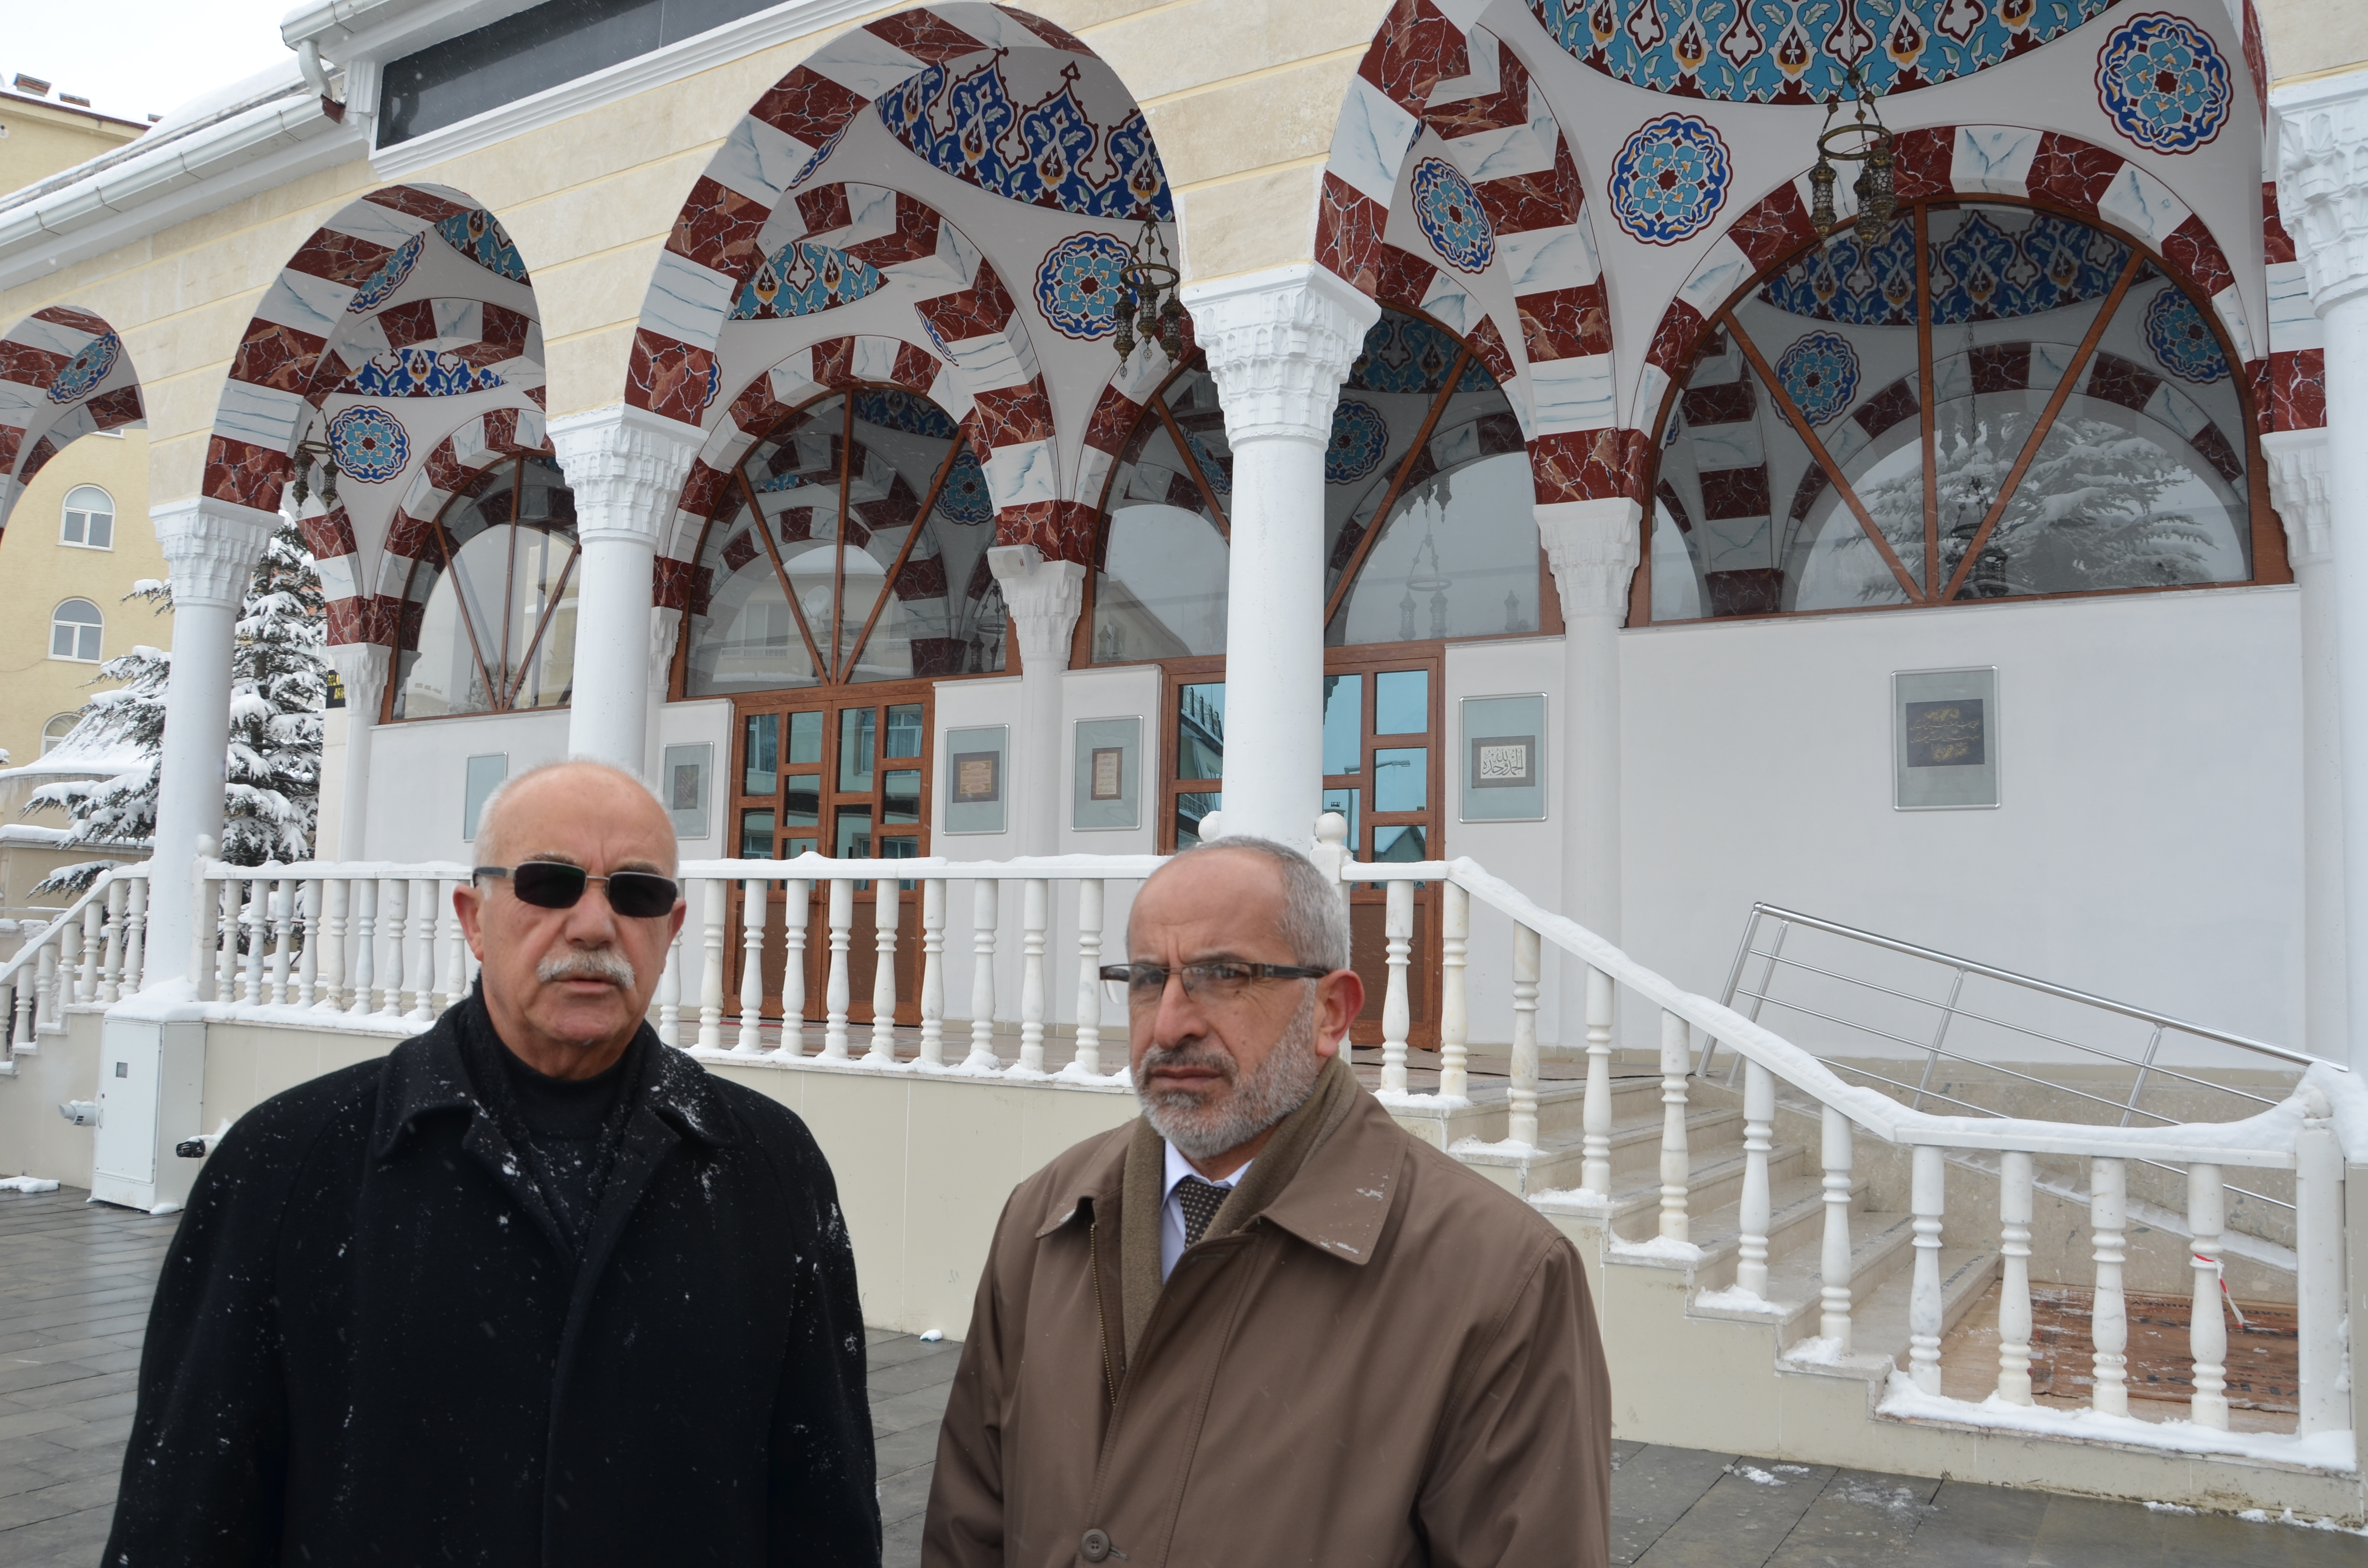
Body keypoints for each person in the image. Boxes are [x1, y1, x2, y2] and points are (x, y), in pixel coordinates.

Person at [106, 759, 879, 1566]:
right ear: (473, 918)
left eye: (635, 893)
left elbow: (825, 1509)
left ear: (671, 929)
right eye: (550, 884)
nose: (593, 924)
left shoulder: (770, 1166)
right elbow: (187, 1514)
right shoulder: (289, 1165)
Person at [923, 836, 1611, 1568]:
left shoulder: (1499, 1279)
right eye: (1149, 979)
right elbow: (970, 1528)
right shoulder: (1046, 1216)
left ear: (1331, 1012)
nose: (1170, 1024)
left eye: (1223, 976)